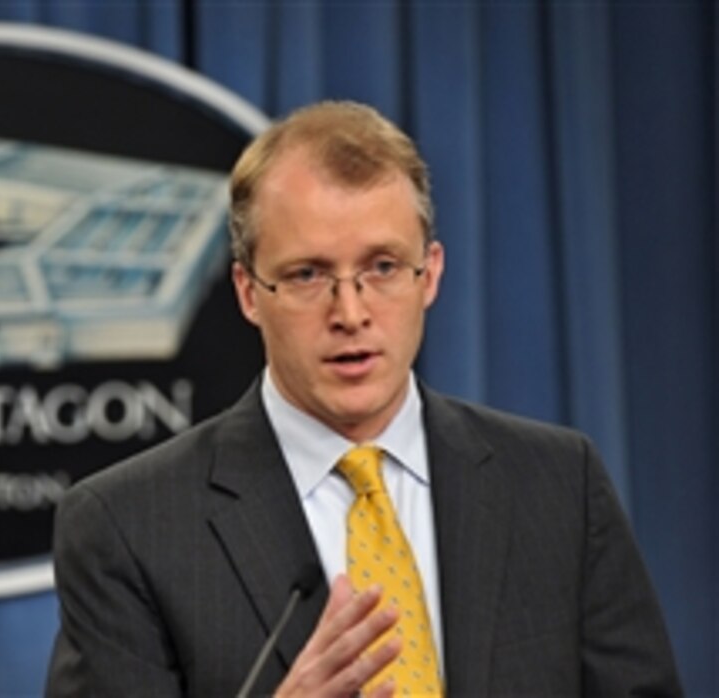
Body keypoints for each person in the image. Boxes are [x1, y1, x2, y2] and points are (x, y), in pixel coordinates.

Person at [45, 101, 681, 697]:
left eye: (381, 267)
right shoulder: (129, 527)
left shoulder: (557, 486)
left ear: (429, 274)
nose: (350, 312)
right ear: (247, 292)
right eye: (307, 275)